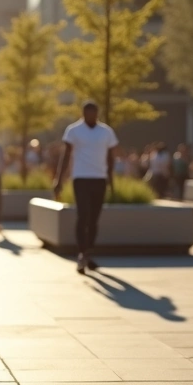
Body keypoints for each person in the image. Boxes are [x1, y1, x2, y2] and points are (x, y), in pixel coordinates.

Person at [55, 102, 118, 275]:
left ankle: (88, 252)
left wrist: (111, 180)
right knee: (83, 216)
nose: (91, 115)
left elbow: (111, 157)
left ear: (97, 113)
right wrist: (59, 180)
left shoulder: (106, 131)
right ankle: (82, 253)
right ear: (83, 113)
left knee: (94, 220)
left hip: (99, 179)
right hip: (81, 178)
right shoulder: (73, 130)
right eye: (88, 112)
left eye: (94, 112)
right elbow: (66, 155)